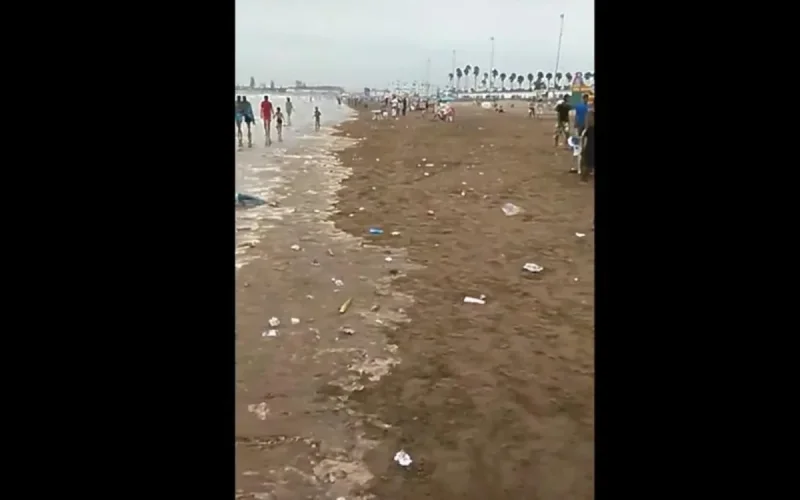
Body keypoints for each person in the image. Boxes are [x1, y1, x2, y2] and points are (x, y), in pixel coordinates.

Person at [580, 106, 595, 182]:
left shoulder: (589, 113)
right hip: (590, 137)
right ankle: (584, 176)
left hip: (589, 136)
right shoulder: (590, 113)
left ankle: (584, 175)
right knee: (588, 160)